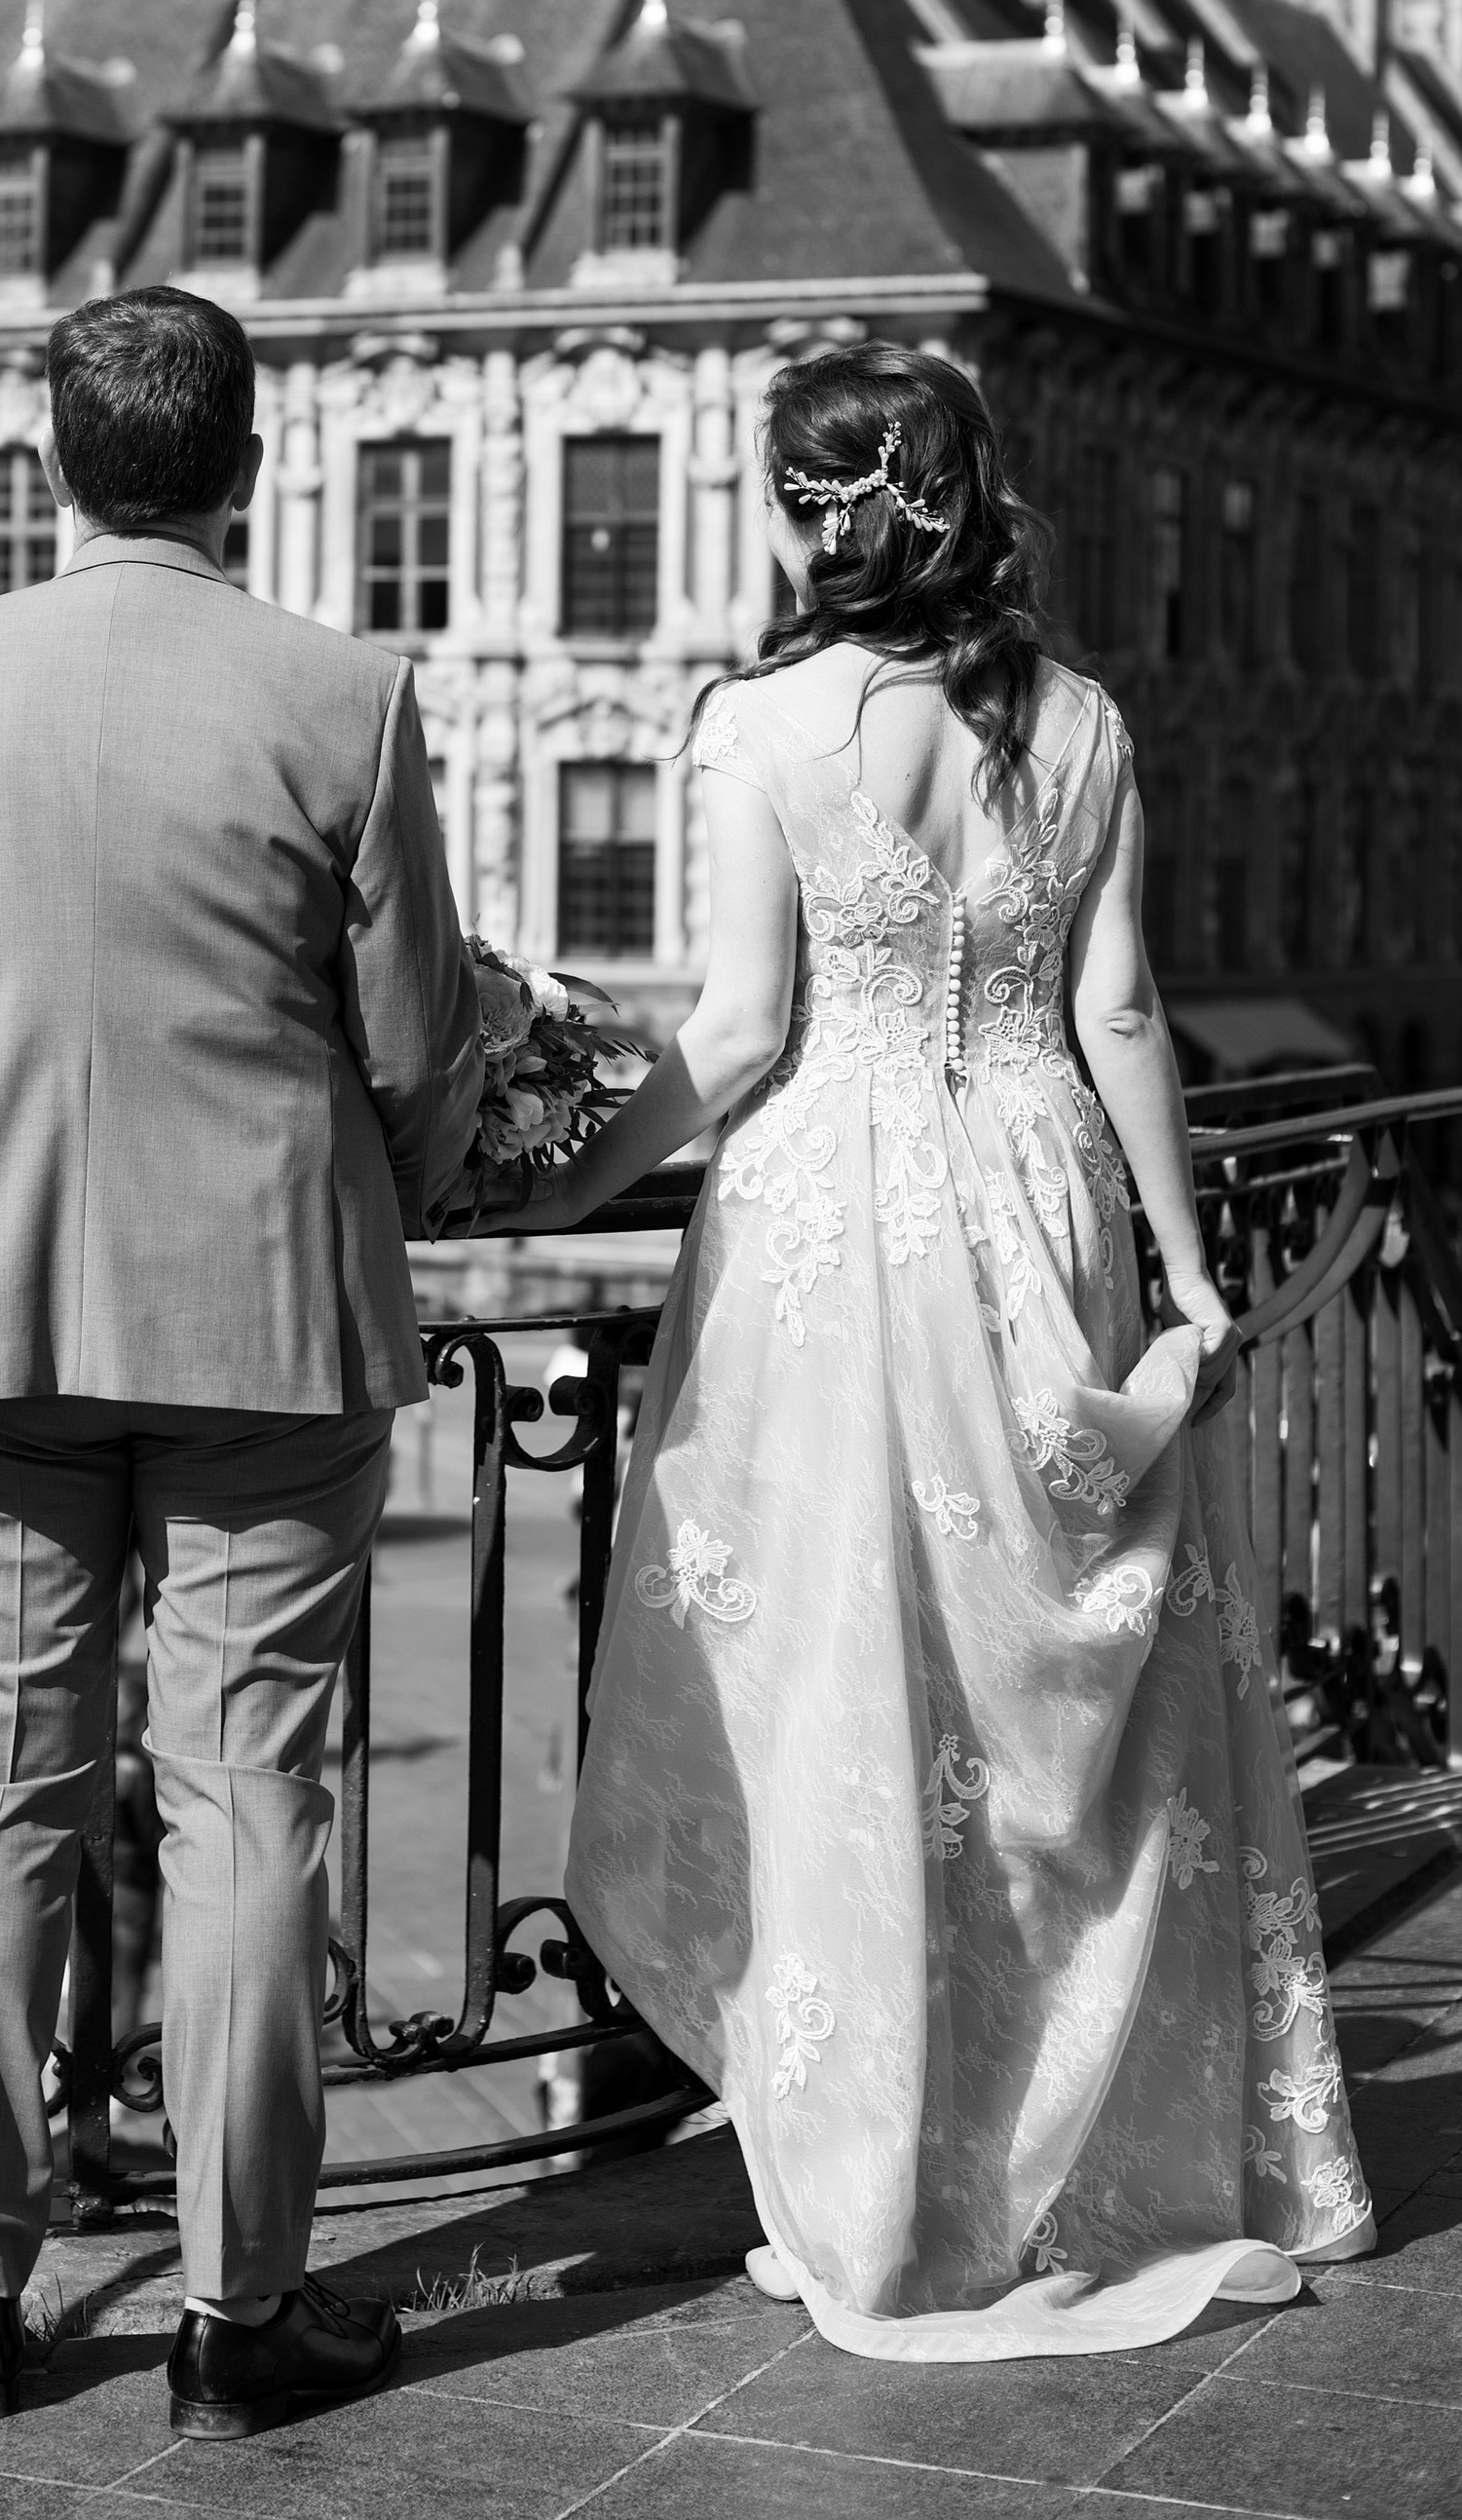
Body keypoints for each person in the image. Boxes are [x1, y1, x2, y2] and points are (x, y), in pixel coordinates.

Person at [544, 342, 1370, 2361]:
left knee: (846, 1682)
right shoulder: (1076, 720)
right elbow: (1119, 1017)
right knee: (1043, 1713)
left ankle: (886, 2164)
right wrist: (1178, 1273)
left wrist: (576, 1173)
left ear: (807, 510)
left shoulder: (759, 724)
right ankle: (1078, 2148)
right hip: (1036, 1203)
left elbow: (736, 1032)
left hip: (834, 1229)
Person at [0, 284, 481, 2436]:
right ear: (249, 460)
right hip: (265, 1312)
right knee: (245, 1796)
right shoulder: (342, 691)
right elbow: (412, 1045)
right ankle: (231, 2313)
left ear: (47, 457)